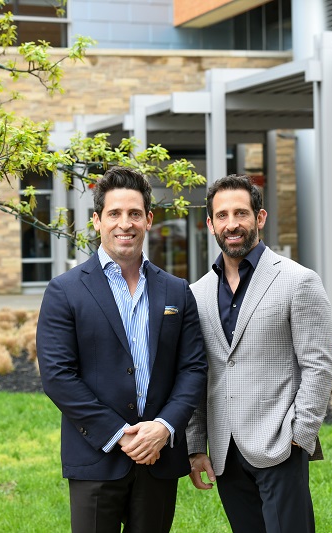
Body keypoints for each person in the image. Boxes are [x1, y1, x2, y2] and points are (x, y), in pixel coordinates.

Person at [36, 166, 208, 533]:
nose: (124, 224)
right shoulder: (65, 291)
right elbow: (57, 376)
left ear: (149, 220)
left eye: (134, 213)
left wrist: (163, 427)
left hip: (158, 456)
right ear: (97, 221)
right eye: (114, 213)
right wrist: (119, 433)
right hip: (96, 456)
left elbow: (193, 368)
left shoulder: (177, 291)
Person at [186, 174, 332, 533]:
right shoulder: (197, 293)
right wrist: (195, 446)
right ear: (210, 224)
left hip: (280, 444)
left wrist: (301, 434)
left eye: (241, 213)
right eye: (222, 215)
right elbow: (195, 373)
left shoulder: (299, 281)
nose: (232, 224)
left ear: (260, 217)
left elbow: (319, 365)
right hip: (225, 451)